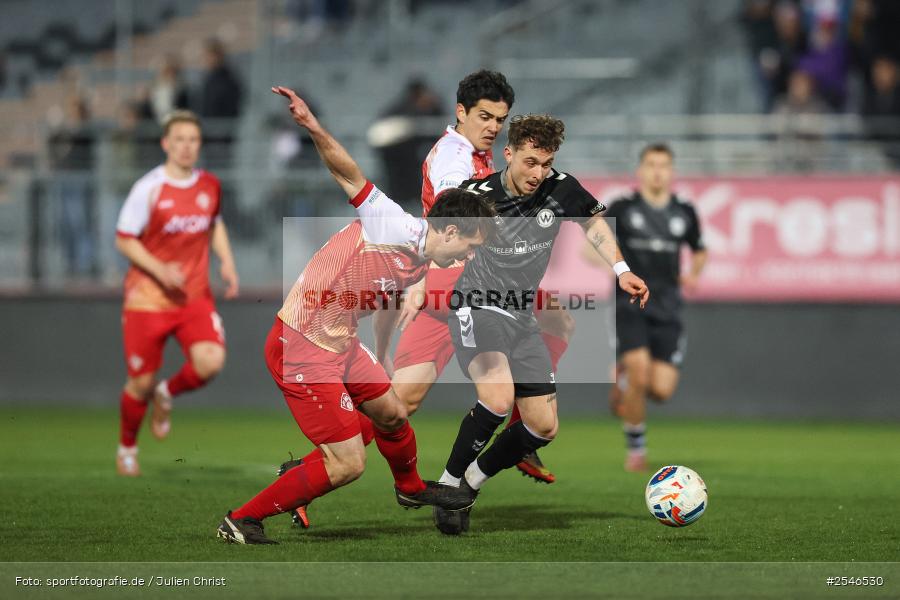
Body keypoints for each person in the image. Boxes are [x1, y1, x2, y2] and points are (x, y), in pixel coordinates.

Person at [216, 86, 496, 545]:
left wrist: (382, 358)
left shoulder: (426, 257)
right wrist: (312, 126)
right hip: (302, 345)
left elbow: (385, 303)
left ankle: (409, 489)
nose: (467, 256)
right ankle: (241, 519)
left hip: (341, 342)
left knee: (391, 411)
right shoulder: (391, 222)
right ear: (449, 231)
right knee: (347, 464)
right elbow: (347, 173)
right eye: (469, 245)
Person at [431, 114, 650, 534]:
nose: (538, 173)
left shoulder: (561, 188)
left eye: (546, 163)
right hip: (477, 304)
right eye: (530, 161)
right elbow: (441, 236)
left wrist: (621, 269)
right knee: (498, 399)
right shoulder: (479, 196)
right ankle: (447, 486)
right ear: (509, 154)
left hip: (521, 315)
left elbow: (592, 222)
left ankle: (471, 483)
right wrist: (417, 281)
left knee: (543, 426)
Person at [389, 70, 573, 485]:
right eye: (484, 117)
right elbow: (452, 219)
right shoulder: (455, 158)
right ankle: (522, 434)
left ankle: (319, 466)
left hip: (450, 281)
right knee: (556, 319)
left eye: (499, 120)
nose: (492, 127)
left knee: (401, 401)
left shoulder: (474, 154)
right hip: (458, 282)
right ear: (461, 112)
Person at [114, 110, 240, 476]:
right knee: (140, 382)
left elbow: (214, 224)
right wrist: (158, 269)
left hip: (193, 296)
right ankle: (127, 449)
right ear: (166, 144)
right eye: (180, 139)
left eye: (193, 140)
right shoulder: (148, 188)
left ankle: (167, 394)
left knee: (210, 362)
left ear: (199, 145)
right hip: (147, 299)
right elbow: (124, 239)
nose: (186, 147)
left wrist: (227, 262)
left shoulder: (209, 186)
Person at [605, 143, 707, 472]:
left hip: (668, 307)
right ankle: (636, 449)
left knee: (660, 390)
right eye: (651, 164)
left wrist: (692, 273)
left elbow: (700, 249)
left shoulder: (684, 211)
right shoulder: (622, 206)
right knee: (639, 371)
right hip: (631, 303)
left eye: (663, 165)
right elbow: (597, 241)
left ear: (672, 172)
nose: (657, 171)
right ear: (640, 170)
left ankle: (623, 383)